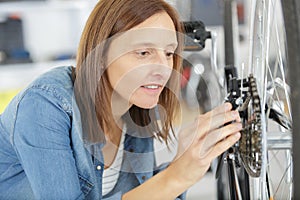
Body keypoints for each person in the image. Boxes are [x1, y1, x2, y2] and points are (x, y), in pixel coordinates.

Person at [0, 0, 242, 199]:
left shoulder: (138, 111)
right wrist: (178, 175)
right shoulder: (45, 105)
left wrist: (183, 160)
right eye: (144, 52)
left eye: (168, 53)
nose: (163, 68)